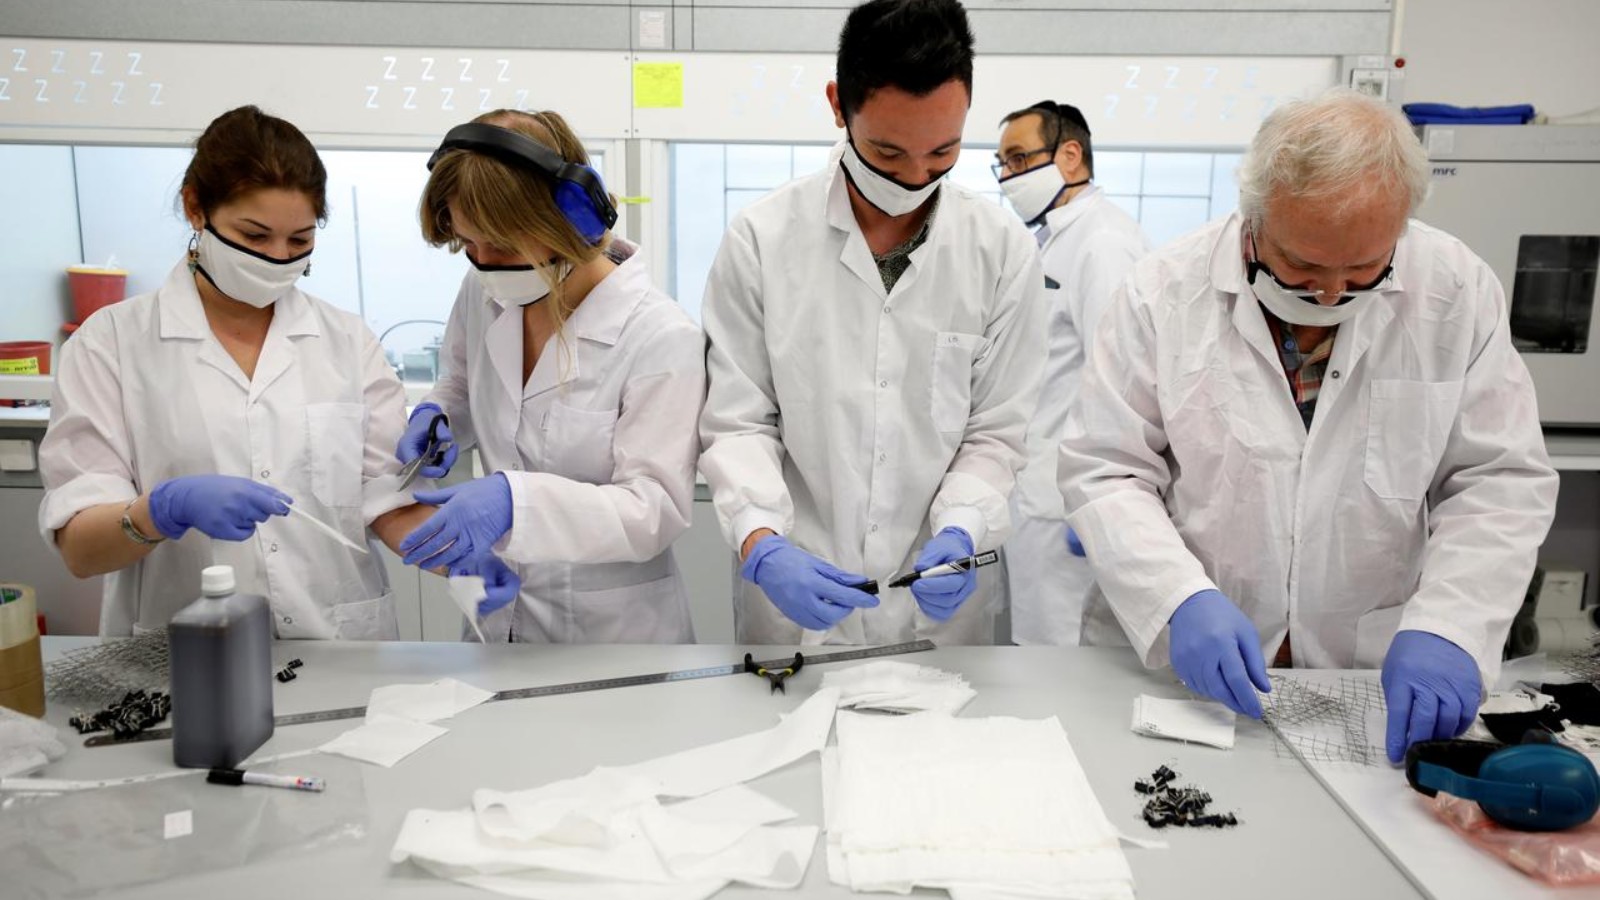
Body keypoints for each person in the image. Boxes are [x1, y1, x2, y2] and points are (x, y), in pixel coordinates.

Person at [1058, 88, 1558, 763]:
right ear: (1254, 215)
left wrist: (1451, 624)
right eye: (1302, 265)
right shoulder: (1162, 293)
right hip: (1179, 676)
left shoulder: (1455, 292)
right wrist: (1177, 599)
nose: (1329, 293)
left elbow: (1497, 479)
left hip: (1364, 675)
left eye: (1363, 269)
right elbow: (1106, 467)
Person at [699, 0, 1046, 645]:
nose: (915, 178)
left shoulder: (1000, 250)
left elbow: (996, 432)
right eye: (888, 153)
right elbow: (739, 422)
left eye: (942, 152)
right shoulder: (762, 241)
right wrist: (761, 542)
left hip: (938, 619)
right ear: (839, 105)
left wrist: (963, 527)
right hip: (799, 606)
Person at [38, 105, 449, 638]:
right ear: (196, 208)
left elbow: (385, 498)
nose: (278, 257)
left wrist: (461, 557)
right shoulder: (110, 344)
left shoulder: (346, 341)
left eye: (299, 241)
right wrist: (158, 512)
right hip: (182, 652)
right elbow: (81, 550)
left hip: (339, 642)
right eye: (255, 237)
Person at [395, 109, 705, 643]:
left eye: (501, 245)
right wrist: (438, 414)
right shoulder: (486, 288)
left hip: (612, 636)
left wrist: (514, 502)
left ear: (571, 220)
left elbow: (653, 509)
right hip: (498, 621)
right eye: (469, 245)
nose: (483, 263)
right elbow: (464, 381)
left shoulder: (659, 335)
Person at [993, 100, 1149, 646]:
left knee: (1060, 651)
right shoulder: (1055, 239)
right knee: (1036, 642)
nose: (1008, 177)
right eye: (1002, 164)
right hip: (1038, 486)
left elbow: (1123, 380)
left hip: (1068, 500)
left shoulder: (1103, 243)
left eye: (1018, 159)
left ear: (1070, 155)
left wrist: (1096, 503)